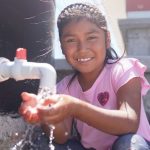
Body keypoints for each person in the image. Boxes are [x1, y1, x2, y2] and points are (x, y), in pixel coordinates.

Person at [19, 3, 150, 150]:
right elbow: (61, 137)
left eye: (91, 37)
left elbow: (129, 123)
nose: (82, 49)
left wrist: (75, 107)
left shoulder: (122, 69)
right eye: (71, 40)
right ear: (62, 46)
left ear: (107, 39)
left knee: (129, 142)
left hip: (133, 147)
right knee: (41, 143)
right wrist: (44, 112)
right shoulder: (65, 88)